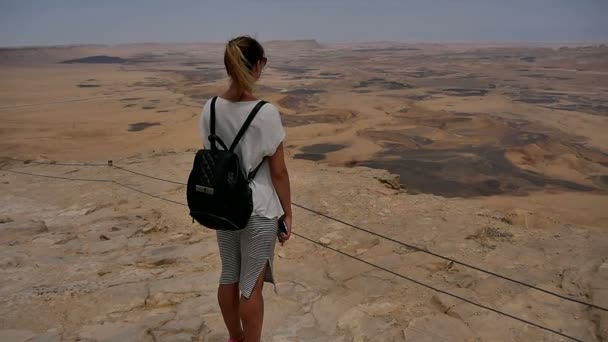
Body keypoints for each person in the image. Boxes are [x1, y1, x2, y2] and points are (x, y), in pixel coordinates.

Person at [198, 36, 293, 342]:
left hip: (223, 205)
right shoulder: (265, 113)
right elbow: (278, 172)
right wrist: (287, 213)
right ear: (258, 65)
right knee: (250, 284)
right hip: (259, 208)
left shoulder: (210, 108)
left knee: (229, 275)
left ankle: (235, 337)